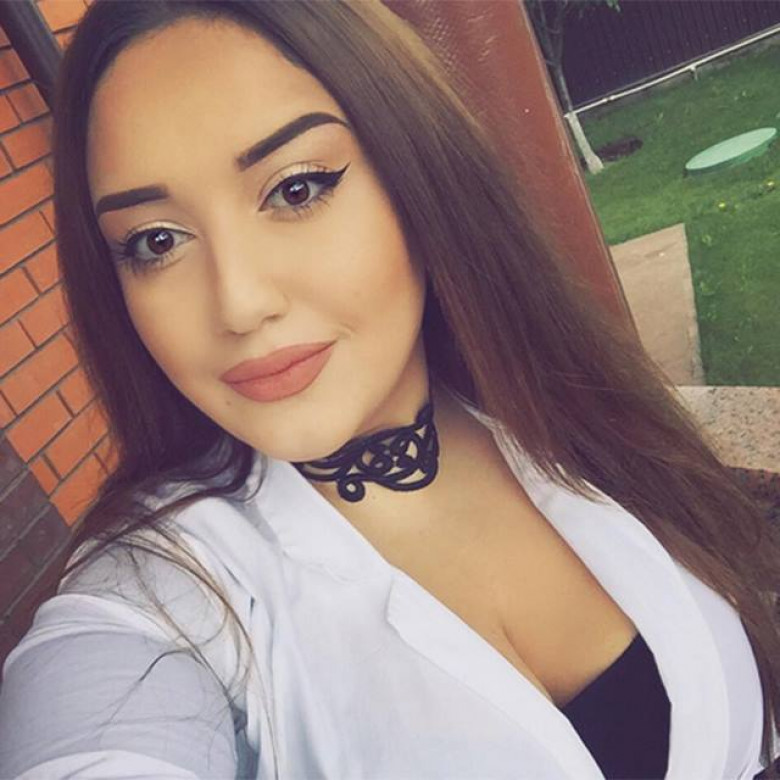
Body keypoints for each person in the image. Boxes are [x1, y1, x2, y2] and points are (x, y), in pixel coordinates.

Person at [0, 1, 777, 777]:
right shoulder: (159, 599)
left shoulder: (563, 406)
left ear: (418, 173)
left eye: (295, 189)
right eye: (156, 241)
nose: (238, 303)